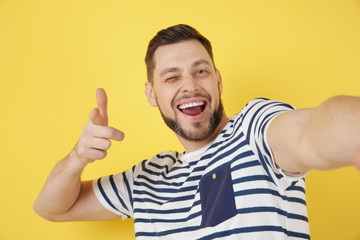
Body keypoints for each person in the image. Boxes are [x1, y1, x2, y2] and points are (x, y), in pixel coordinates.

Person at [33, 24, 360, 239]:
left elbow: (312, 131)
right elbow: (51, 208)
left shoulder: (254, 130)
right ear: (152, 94)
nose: (190, 85)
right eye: (172, 77)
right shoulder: (147, 178)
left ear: (218, 80)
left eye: (200, 71)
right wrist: (77, 158)